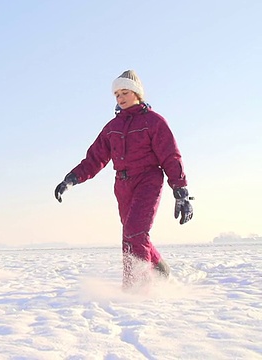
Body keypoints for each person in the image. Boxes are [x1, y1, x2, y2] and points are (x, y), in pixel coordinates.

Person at [54, 70, 194, 289]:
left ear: (137, 93)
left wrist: (181, 191)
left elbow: (170, 156)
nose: (120, 98)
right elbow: (94, 158)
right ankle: (160, 270)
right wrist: (71, 179)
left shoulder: (154, 122)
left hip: (148, 180)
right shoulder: (112, 127)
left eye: (125, 92)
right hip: (122, 184)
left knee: (134, 233)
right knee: (133, 233)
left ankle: (136, 289)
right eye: (117, 94)